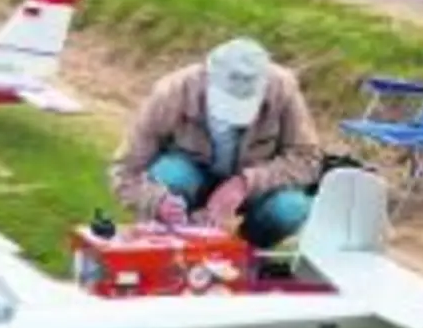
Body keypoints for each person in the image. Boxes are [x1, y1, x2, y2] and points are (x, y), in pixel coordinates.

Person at [109, 39, 323, 251]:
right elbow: (125, 170)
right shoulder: (172, 92)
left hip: (254, 189)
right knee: (171, 174)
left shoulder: (284, 91)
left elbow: (307, 160)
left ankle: (244, 254)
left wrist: (246, 183)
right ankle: (169, 249)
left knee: (291, 208)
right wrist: (156, 200)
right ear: (206, 78)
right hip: (191, 179)